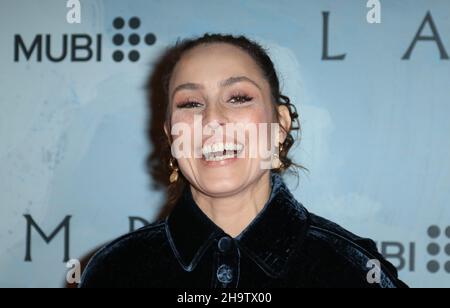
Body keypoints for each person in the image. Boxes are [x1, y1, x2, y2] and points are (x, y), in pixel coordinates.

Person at [80, 33, 408, 288]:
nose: (212, 119)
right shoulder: (116, 271)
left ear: (280, 125)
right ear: (171, 135)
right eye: (191, 103)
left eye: (238, 98)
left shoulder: (350, 270)